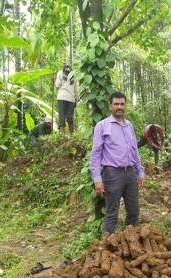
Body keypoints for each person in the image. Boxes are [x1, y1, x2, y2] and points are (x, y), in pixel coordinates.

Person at [90, 91, 145, 234]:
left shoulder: (129, 126)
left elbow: (134, 151)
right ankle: (106, 249)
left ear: (125, 106)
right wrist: (97, 179)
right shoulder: (102, 126)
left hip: (130, 173)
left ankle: (127, 241)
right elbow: (96, 153)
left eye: (122, 104)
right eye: (116, 104)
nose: (119, 107)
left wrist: (140, 171)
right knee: (112, 213)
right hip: (112, 174)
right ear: (110, 106)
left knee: (134, 211)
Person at [55, 64, 77, 134]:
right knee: (70, 117)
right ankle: (72, 135)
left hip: (61, 97)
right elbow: (76, 89)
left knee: (62, 117)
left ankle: (62, 136)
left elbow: (57, 85)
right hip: (71, 98)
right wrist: (76, 98)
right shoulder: (74, 75)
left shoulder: (60, 73)